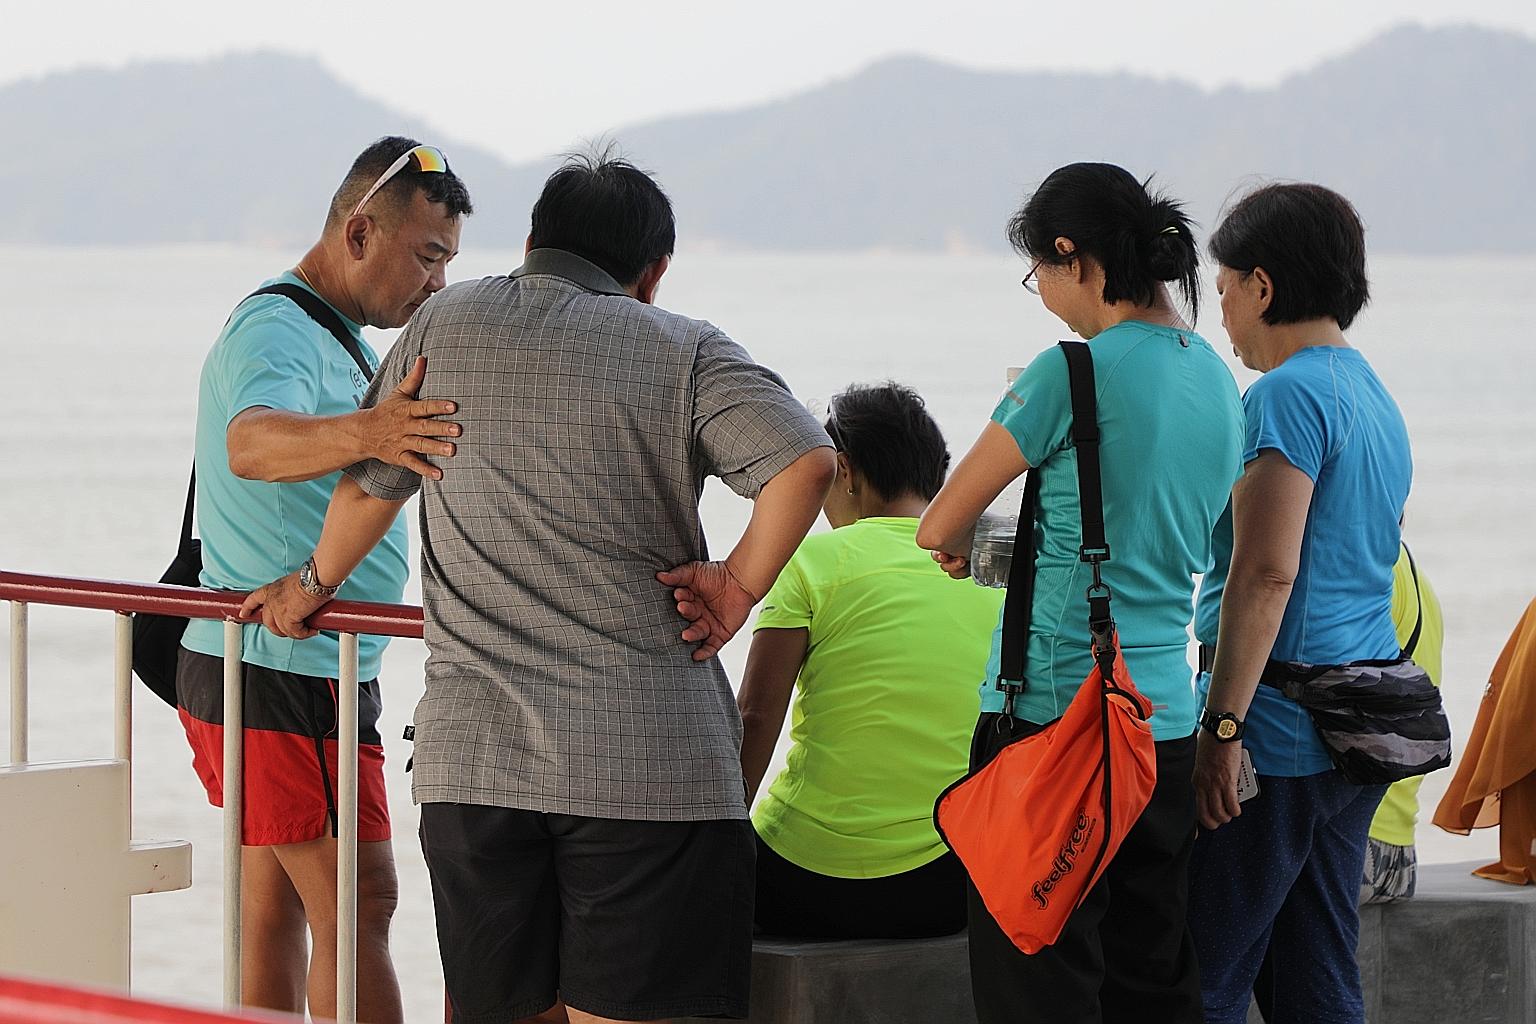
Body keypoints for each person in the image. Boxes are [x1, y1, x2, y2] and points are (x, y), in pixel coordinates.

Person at [241, 152, 836, 1024]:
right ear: (654, 273)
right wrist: (740, 585)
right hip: (651, 772)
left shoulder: (442, 327)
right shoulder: (685, 349)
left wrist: (308, 586)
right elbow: (806, 461)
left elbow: (372, 482)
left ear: (529, 242)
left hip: (477, 770)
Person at [916, 162, 1244, 1024]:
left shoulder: (1071, 372)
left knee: (1039, 985)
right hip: (1163, 728)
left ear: (1076, 259)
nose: (1045, 295)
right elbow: (1220, 556)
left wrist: (974, 549)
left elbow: (939, 523)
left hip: (1056, 723)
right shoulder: (1219, 382)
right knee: (1150, 985)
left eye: (1041, 274)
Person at [175, 136, 471, 1022]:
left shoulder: (329, 334)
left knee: (275, 912)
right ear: (357, 233)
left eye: (449, 263)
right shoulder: (278, 325)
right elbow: (251, 440)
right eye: (427, 258)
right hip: (285, 665)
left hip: (296, 668)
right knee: (360, 902)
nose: (437, 287)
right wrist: (375, 433)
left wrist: (373, 430)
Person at [1188, 182, 1412, 1024]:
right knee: (1314, 972)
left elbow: (1265, 574)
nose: (1224, 319)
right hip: (1358, 725)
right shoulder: (1372, 393)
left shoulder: (1285, 396)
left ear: (1263, 286)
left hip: (1279, 732)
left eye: (1225, 294)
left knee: (1204, 972)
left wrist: (1221, 731)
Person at [740, 383, 1003, 940]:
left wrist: (713, 847)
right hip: (950, 881)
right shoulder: (987, 572)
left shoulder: (810, 559)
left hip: (802, 881)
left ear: (845, 470)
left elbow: (756, 718)